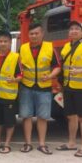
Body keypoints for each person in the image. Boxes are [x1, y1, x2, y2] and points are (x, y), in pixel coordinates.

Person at [57, 21, 82, 157]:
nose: (73, 31)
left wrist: (80, 71)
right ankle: (71, 143)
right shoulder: (66, 47)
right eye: (71, 29)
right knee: (71, 117)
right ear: (68, 33)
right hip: (68, 87)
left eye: (76, 29)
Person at [19, 22, 61, 155]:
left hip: (44, 88)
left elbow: (57, 67)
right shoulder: (23, 48)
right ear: (28, 35)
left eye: (37, 33)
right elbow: (19, 67)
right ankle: (28, 143)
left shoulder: (49, 47)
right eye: (31, 33)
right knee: (26, 116)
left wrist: (50, 76)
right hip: (27, 86)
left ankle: (42, 144)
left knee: (43, 117)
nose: (34, 36)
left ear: (42, 34)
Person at [0, 30, 22, 154]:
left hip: (8, 95)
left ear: (10, 42)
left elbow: (21, 75)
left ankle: (7, 144)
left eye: (5, 41)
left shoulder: (15, 57)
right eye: (0, 41)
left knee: (9, 121)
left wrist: (14, 79)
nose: (2, 43)